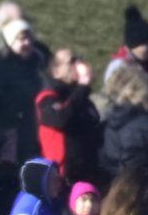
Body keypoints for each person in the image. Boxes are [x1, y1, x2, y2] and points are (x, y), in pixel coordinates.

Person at [0, 15, 43, 208]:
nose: (27, 43)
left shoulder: (35, 65)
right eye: (21, 38)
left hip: (27, 141)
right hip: (3, 145)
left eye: (29, 38)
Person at [103, 5, 148, 137]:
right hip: (132, 133)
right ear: (132, 45)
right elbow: (114, 101)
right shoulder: (119, 67)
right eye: (145, 44)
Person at [35, 48, 103, 189]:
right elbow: (61, 118)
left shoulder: (79, 96)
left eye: (78, 59)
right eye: (71, 61)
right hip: (62, 178)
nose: (77, 64)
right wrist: (83, 86)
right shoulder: (47, 98)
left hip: (87, 173)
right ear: (56, 71)